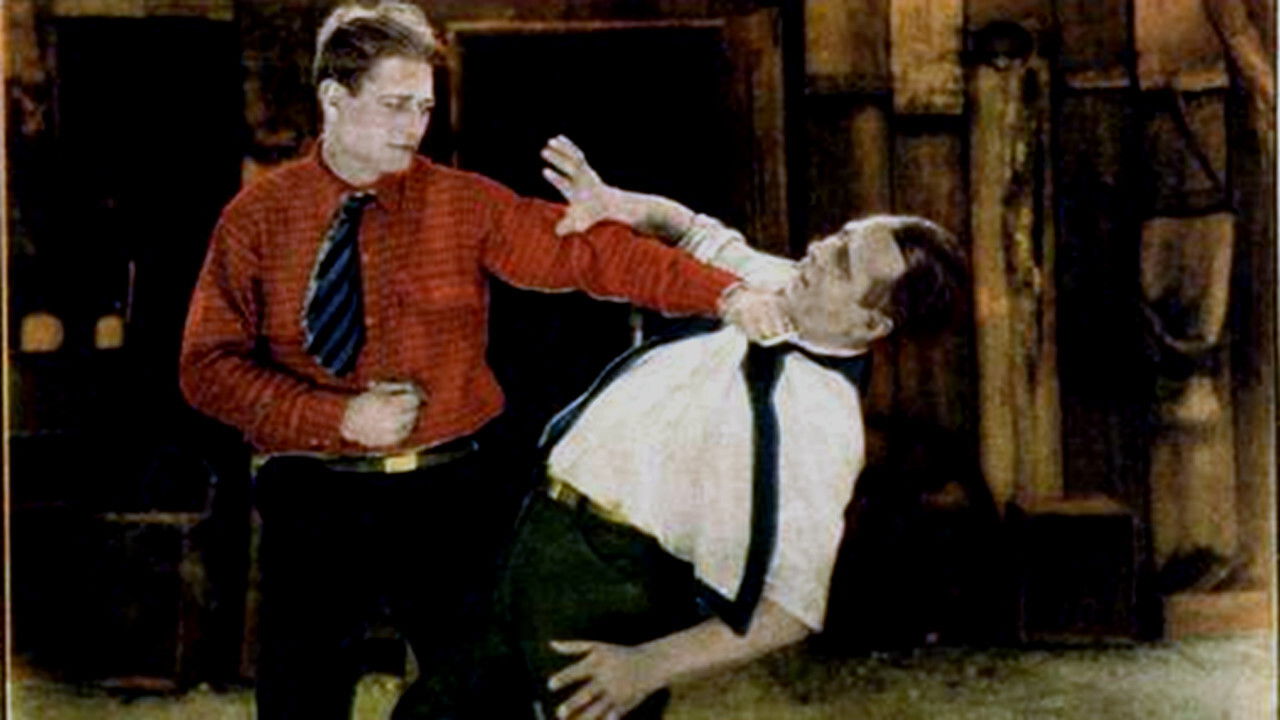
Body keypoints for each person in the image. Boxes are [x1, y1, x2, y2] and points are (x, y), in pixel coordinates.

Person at [178, 6, 786, 719]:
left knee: (485, 703)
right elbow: (206, 367)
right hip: (313, 499)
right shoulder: (256, 219)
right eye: (395, 105)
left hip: (449, 497)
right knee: (299, 705)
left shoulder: (462, 204)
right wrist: (336, 418)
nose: (413, 127)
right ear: (334, 99)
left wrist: (728, 294)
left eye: (424, 108)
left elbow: (592, 255)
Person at [499, 136, 966, 720]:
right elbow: (692, 231)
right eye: (840, 237)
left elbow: (792, 610)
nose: (818, 250)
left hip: (608, 577)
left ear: (871, 324)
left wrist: (645, 667)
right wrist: (615, 203)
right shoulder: (780, 280)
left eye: (842, 263)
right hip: (534, 528)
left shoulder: (821, 421)